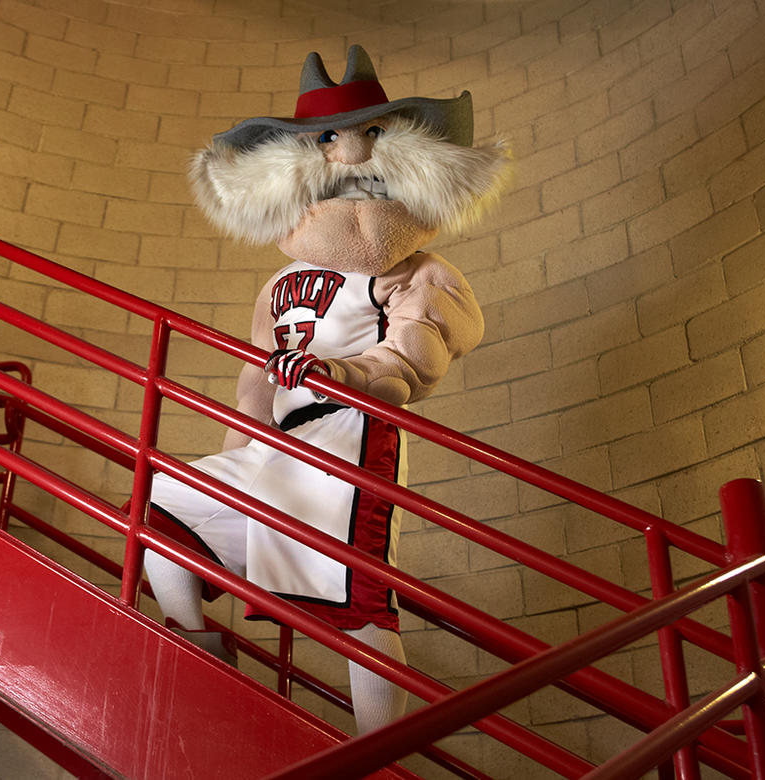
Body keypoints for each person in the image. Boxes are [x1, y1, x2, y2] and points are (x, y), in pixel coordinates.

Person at [135, 45, 509, 734]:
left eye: (368, 136)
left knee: (357, 603)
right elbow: (254, 377)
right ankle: (198, 645)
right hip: (273, 440)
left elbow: (414, 353)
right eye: (329, 139)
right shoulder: (277, 283)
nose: (349, 155)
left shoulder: (414, 270)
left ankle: (377, 754)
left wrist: (348, 374)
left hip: (352, 432)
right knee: (165, 503)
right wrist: (241, 442)